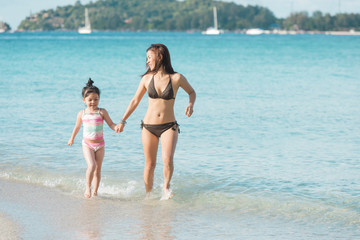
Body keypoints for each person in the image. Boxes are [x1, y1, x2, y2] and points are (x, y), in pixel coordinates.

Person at [115, 44, 196, 200]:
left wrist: (191, 104)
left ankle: (166, 188)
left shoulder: (176, 78)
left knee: (167, 160)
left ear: (160, 57)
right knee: (150, 164)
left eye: (149, 57)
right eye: (146, 58)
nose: (147, 61)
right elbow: (134, 101)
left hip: (169, 126)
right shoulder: (146, 79)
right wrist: (123, 121)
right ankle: (148, 195)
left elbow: (192, 92)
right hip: (148, 127)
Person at [68, 78, 117, 198]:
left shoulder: (102, 112)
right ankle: (87, 188)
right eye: (90, 100)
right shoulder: (82, 113)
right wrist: (72, 138)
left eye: (96, 99)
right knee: (92, 166)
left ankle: (95, 191)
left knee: (98, 169)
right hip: (87, 145)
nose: (93, 102)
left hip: (100, 145)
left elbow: (111, 124)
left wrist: (116, 128)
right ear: (84, 100)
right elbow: (77, 127)